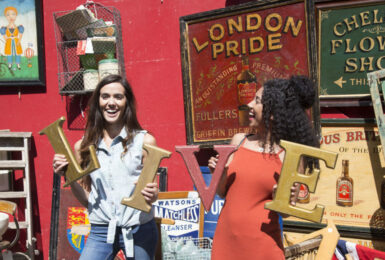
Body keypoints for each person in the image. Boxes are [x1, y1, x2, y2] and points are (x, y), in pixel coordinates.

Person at [208, 75, 319, 260]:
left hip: (262, 247)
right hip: (226, 243)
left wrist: (285, 200)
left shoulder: (290, 155)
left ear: (273, 113)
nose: (249, 105)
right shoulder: (238, 141)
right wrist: (219, 173)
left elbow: (285, 213)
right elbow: (222, 193)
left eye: (257, 101)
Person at [53, 74, 159, 260]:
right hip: (101, 231)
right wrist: (67, 176)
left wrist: (153, 195)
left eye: (118, 97)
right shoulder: (83, 146)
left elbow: (152, 192)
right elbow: (87, 200)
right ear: (98, 102)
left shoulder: (145, 142)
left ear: (127, 102)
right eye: (105, 96)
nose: (111, 102)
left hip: (138, 229)